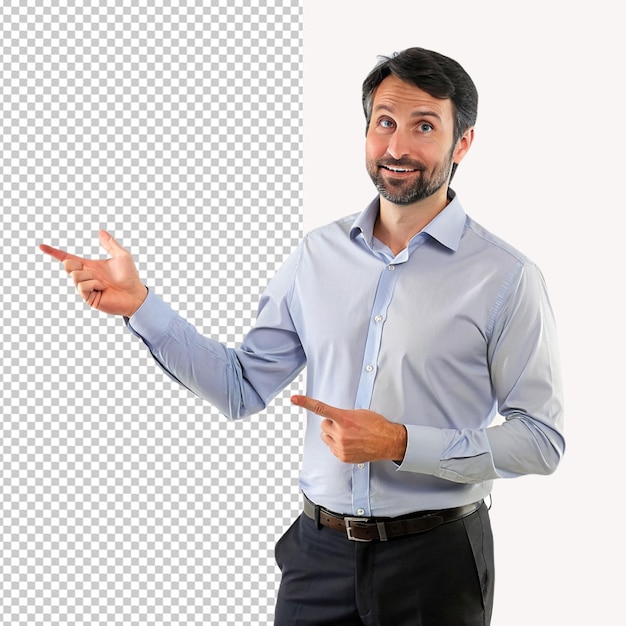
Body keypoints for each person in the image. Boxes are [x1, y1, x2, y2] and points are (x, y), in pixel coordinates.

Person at [40, 47, 565, 626]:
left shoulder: (507, 278)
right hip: (320, 558)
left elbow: (541, 441)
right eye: (385, 122)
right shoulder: (316, 254)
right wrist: (142, 307)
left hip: (436, 563)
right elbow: (242, 387)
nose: (397, 148)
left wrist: (399, 442)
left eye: (424, 126)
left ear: (461, 142)